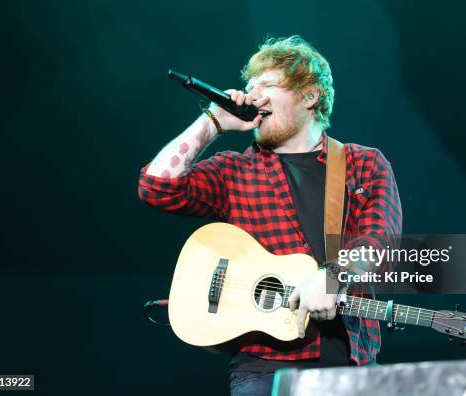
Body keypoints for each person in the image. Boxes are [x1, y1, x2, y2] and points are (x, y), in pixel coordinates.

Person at [138, 35, 402, 396]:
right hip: (262, 367)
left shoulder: (362, 163)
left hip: (348, 362)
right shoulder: (234, 171)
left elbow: (378, 241)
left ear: (310, 96)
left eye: (268, 84)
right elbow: (157, 187)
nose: (254, 95)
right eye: (250, 87)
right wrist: (212, 122)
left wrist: (333, 276)